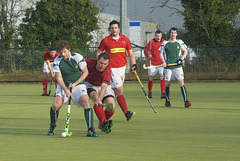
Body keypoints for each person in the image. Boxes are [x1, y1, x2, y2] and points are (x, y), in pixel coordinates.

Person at [47, 40, 98, 137]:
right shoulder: (57, 60)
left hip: (78, 85)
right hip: (63, 86)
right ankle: (52, 126)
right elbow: (58, 78)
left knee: (85, 101)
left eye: (64, 51)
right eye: (61, 52)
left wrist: (75, 84)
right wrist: (66, 90)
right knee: (55, 105)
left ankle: (91, 129)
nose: (63, 54)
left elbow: (85, 72)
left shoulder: (77, 57)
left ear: (68, 49)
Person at [97, 20, 136, 121]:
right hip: (111, 69)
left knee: (115, 92)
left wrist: (133, 64)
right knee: (119, 90)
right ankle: (126, 113)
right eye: (112, 28)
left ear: (119, 29)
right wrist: (102, 65)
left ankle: (103, 117)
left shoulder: (125, 40)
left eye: (115, 28)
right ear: (110, 29)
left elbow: (131, 54)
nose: (114, 30)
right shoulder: (106, 40)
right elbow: (99, 53)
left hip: (122, 68)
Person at [159, 27, 191, 108]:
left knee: (181, 82)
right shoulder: (165, 43)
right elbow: (161, 53)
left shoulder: (179, 42)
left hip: (178, 66)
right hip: (168, 67)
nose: (173, 34)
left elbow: (186, 51)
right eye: (171, 32)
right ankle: (167, 101)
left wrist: (181, 59)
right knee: (168, 83)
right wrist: (164, 62)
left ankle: (186, 101)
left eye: (174, 33)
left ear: (177, 34)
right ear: (169, 34)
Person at [85, 52, 115, 134]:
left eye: (105, 64)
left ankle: (102, 123)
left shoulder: (108, 71)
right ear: (97, 61)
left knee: (111, 107)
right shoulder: (88, 62)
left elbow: (104, 87)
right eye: (101, 63)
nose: (102, 66)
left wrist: (100, 99)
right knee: (95, 97)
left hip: (104, 86)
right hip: (90, 84)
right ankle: (103, 123)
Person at [144, 30, 166, 99]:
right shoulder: (151, 42)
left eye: (159, 36)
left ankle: (163, 92)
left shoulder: (164, 42)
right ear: (155, 36)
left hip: (161, 63)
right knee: (151, 77)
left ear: (161, 36)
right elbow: (145, 50)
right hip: (152, 63)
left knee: (161, 76)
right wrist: (148, 54)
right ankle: (150, 91)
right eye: (157, 36)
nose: (158, 37)